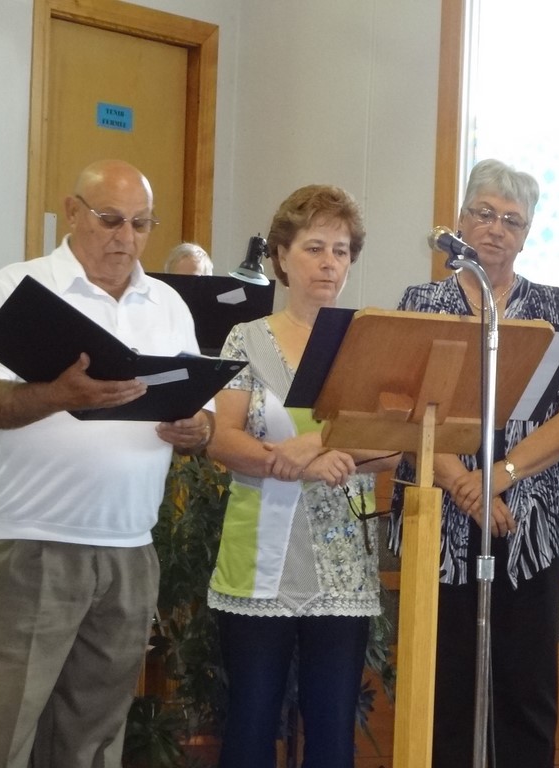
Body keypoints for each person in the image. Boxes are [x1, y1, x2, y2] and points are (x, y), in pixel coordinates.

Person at [0, 159, 215, 768]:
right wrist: (57, 396)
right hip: (30, 541)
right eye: (111, 219)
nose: (126, 239)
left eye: (142, 224)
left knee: (96, 736)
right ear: (72, 212)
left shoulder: (168, 303)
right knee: (7, 732)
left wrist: (197, 430)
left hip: (128, 546)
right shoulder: (20, 288)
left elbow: (197, 411)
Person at [389, 158, 559, 767]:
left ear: (527, 234)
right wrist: (465, 485)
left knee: (525, 686)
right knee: (445, 685)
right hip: (441, 517)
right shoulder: (421, 302)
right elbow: (408, 410)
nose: (496, 228)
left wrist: (500, 477)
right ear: (461, 221)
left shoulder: (553, 306)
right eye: (484, 213)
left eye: (512, 220)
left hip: (531, 517)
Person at [206, 184, 399, 768]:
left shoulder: (368, 340)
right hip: (259, 561)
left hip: (341, 564)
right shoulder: (246, 339)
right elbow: (222, 437)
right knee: (250, 727)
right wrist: (290, 463)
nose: (329, 263)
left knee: (332, 733)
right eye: (315, 247)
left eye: (341, 251)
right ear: (282, 257)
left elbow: (391, 448)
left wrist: (318, 445)